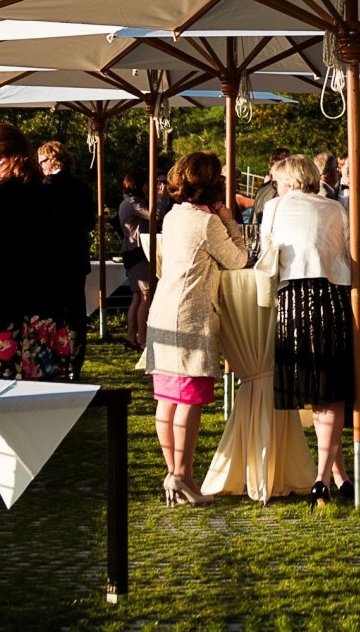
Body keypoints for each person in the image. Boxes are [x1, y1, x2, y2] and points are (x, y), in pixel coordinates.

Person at [259, 154, 360, 506]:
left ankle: (330, 476)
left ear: (289, 181)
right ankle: (328, 476)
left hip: (291, 301)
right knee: (330, 391)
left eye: (277, 180)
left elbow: (265, 252)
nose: (275, 185)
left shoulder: (274, 208)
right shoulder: (335, 209)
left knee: (317, 389)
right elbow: (358, 261)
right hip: (331, 298)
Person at [144, 151, 249, 508]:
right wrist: (229, 220)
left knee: (167, 399)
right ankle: (184, 475)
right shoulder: (208, 223)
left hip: (162, 312)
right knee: (188, 397)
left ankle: (173, 471)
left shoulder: (173, 216)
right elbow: (238, 260)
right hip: (191, 314)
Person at [0, 123, 75, 381]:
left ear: (3, 158)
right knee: (40, 392)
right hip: (45, 305)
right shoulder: (47, 192)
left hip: (4, 306)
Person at [39, 141, 96, 373]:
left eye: (42, 161)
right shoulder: (82, 188)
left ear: (52, 160)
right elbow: (91, 222)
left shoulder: (44, 188)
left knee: (52, 312)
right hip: (76, 257)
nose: (40, 166)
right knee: (76, 313)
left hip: (51, 259)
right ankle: (75, 363)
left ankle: (55, 359)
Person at [116, 171, 169, 352]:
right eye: (148, 184)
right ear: (139, 185)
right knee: (146, 295)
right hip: (139, 252)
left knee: (138, 296)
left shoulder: (127, 202)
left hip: (132, 252)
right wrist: (161, 198)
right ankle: (142, 339)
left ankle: (132, 336)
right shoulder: (133, 203)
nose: (150, 187)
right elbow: (156, 216)